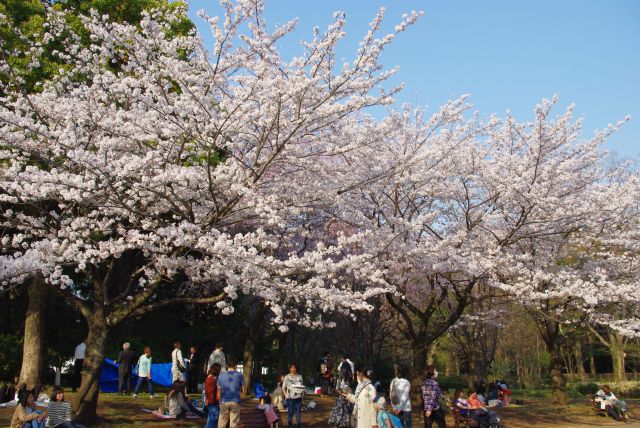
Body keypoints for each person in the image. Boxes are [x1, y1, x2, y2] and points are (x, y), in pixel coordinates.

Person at [216, 356, 246, 428]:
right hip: (236, 401)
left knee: (221, 423)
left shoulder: (221, 376)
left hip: (224, 401)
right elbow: (244, 389)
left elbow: (219, 391)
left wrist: (220, 402)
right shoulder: (240, 375)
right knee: (234, 423)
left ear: (227, 365)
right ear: (235, 365)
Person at [282, 363, 305, 428]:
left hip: (298, 398)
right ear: (289, 369)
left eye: (294, 368)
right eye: (291, 368)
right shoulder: (287, 377)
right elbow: (283, 387)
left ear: (296, 368)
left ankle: (298, 426)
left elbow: (302, 387)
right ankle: (290, 426)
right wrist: (286, 395)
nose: (292, 369)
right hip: (290, 398)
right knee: (290, 413)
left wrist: (302, 397)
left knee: (298, 413)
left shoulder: (300, 376)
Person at [205, 363, 221, 428]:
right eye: (219, 370)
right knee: (214, 419)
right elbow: (212, 392)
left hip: (210, 401)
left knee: (210, 419)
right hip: (213, 401)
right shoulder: (212, 379)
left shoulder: (209, 378)